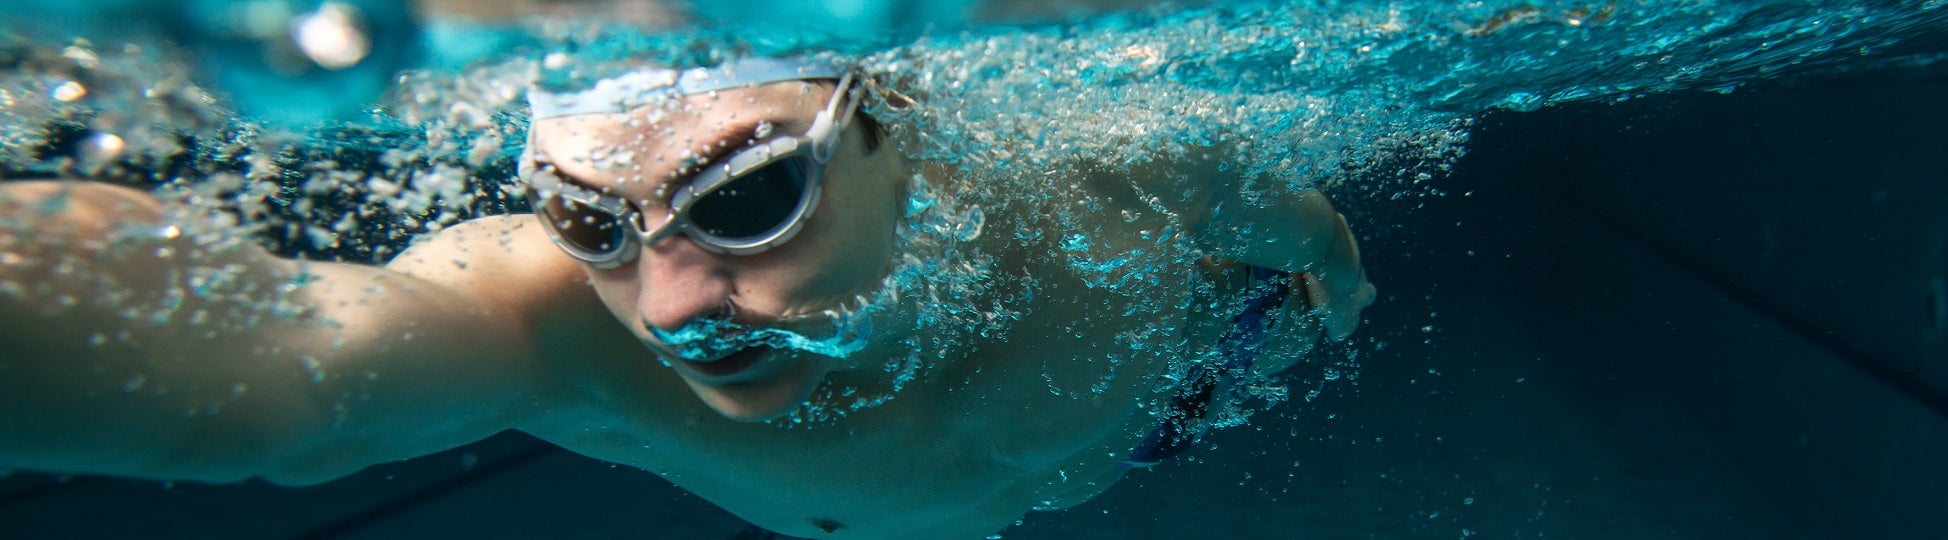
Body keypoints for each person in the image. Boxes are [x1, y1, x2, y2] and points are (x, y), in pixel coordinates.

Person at [0, 56, 1373, 539]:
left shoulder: (1125, 167)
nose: (664, 307)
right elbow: (286, 374)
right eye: (587, 220)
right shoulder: (541, 321)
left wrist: (1341, 293)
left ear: (898, 123)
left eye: (747, 196)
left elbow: (1294, 225)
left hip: (1183, 390)